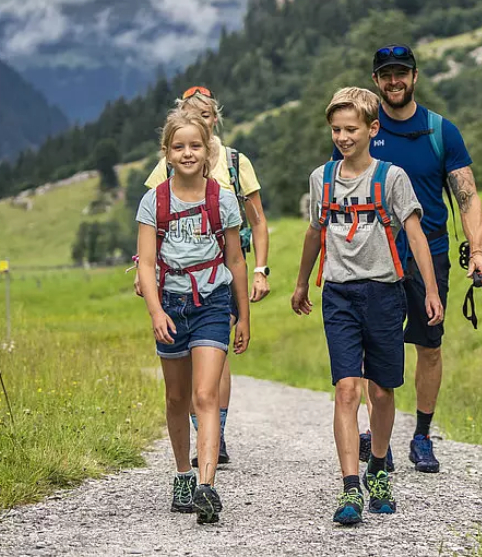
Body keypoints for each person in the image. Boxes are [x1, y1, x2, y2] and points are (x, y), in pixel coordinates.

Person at [291, 87, 443, 525]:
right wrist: (302, 282)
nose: (342, 137)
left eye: (351, 129)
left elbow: (416, 236)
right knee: (346, 388)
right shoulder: (322, 178)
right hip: (338, 293)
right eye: (336, 129)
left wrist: (430, 292)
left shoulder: (391, 178)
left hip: (384, 293)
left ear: (372, 129)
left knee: (381, 391)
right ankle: (350, 488)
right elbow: (315, 232)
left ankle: (378, 469)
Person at [355, 44, 482, 474]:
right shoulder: (365, 130)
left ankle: (422, 436)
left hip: (429, 255)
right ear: (376, 81)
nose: (394, 81)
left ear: (414, 77)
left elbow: (466, 197)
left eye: (401, 73)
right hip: (374, 257)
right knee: (375, 347)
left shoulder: (440, 131)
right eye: (385, 75)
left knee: (429, 346)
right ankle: (379, 438)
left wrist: (479, 250)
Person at [139, 86, 271, 465]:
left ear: (215, 121)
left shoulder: (233, 163)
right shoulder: (169, 168)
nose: (200, 122)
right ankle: (199, 441)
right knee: (182, 388)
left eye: (206, 115)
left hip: (222, 273)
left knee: (215, 358)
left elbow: (256, 223)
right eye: (192, 113)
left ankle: (216, 436)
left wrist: (260, 269)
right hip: (174, 280)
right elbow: (152, 223)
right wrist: (142, 269)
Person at [136, 108, 250, 523]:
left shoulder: (222, 199)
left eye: (195, 146)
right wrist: (154, 312)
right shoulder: (154, 200)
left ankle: (206, 486)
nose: (188, 153)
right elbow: (146, 264)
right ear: (166, 153)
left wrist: (244, 317)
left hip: (214, 304)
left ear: (208, 152)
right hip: (170, 305)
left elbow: (236, 259)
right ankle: (182, 474)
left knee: (205, 396)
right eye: (179, 146)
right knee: (176, 397)